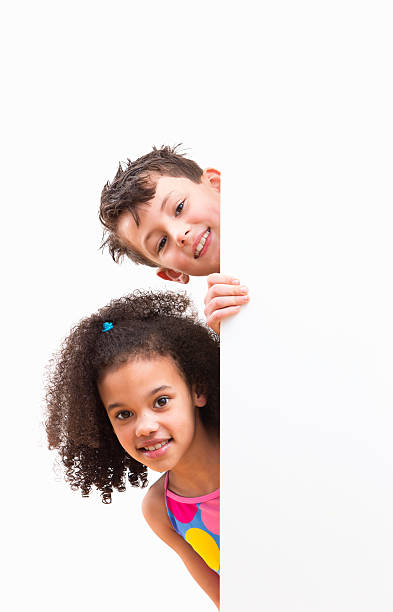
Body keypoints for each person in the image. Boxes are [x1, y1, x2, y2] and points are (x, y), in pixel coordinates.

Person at [45, 291, 220, 609]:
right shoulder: (161, 510)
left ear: (198, 389)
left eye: (161, 401)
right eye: (124, 414)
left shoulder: (252, 447)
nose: (145, 427)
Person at [99, 145, 249, 334]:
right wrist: (233, 337)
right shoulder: (227, 318)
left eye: (179, 208)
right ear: (173, 273)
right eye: (161, 243)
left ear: (216, 185)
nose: (179, 235)